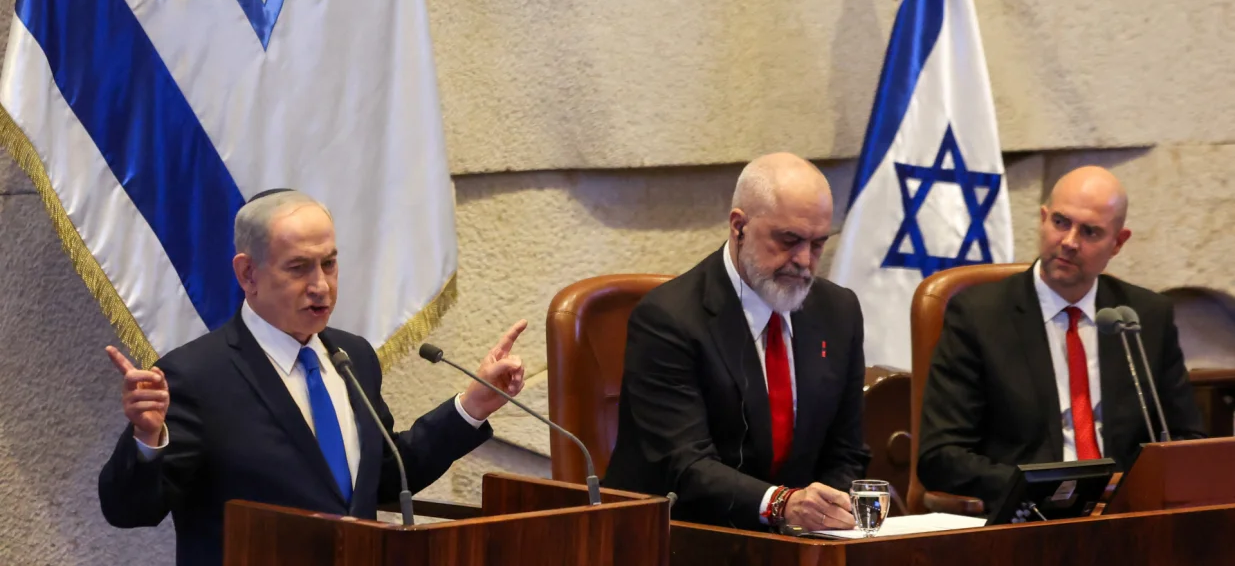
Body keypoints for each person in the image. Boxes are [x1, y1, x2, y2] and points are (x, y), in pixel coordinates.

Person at [98, 189, 527, 566]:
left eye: (329, 263)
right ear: (248, 274)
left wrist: (472, 407)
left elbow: (385, 477)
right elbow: (128, 510)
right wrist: (147, 440)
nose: (321, 285)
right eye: (299, 267)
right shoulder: (195, 376)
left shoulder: (353, 357)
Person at [604, 153, 870, 531]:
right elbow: (684, 465)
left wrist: (827, 512)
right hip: (683, 536)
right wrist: (781, 505)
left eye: (817, 244)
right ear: (739, 226)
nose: (803, 261)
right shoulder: (668, 318)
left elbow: (847, 451)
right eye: (789, 240)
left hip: (801, 541)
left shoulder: (839, 311)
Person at [917, 166, 1204, 507]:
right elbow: (941, 456)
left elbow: (1187, 440)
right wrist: (1049, 488)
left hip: (1126, 512)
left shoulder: (1142, 317)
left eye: (1090, 232)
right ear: (1043, 219)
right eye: (1060, 222)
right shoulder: (979, 316)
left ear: (1118, 243)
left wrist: (1135, 487)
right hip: (1029, 514)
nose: (1069, 242)